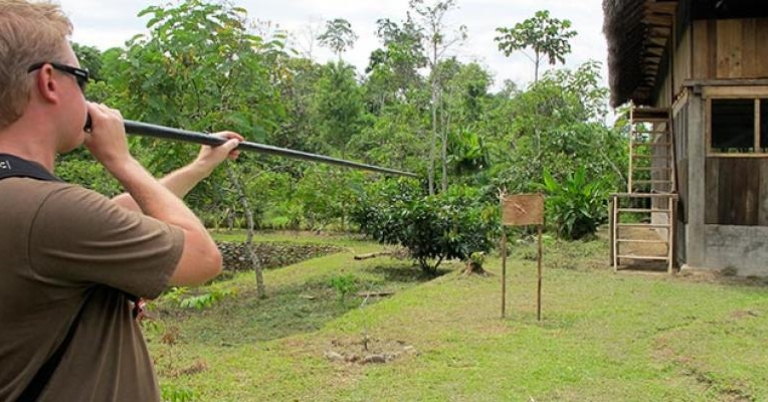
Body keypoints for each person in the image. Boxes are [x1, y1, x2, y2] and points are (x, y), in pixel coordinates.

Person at [0, 1, 243, 400]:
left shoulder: (26, 203)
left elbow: (111, 218)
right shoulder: (51, 213)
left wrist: (199, 168)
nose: (87, 96)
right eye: (81, 79)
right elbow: (203, 258)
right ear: (48, 81)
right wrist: (120, 159)